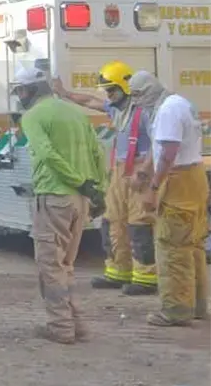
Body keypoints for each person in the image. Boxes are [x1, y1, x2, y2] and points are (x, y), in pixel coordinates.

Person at [12, 67, 107, 344]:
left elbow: (47, 154)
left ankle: (61, 327)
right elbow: (98, 152)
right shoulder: (75, 113)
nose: (19, 96)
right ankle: (76, 324)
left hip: (54, 197)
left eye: (20, 91)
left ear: (31, 90)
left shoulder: (32, 116)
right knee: (65, 264)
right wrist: (97, 189)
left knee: (51, 266)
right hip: (80, 200)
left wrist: (77, 180)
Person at [52, 61, 156, 295]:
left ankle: (147, 276)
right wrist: (65, 93)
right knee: (113, 221)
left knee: (140, 223)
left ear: (125, 87)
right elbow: (90, 101)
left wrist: (144, 172)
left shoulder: (144, 112)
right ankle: (118, 271)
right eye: (106, 91)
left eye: (111, 90)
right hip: (120, 171)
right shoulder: (117, 110)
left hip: (139, 171)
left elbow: (156, 144)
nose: (108, 95)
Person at [128, 71, 210, 327]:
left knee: (172, 248)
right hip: (194, 178)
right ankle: (197, 306)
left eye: (138, 95)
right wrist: (144, 170)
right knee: (192, 246)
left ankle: (176, 310)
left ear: (148, 91)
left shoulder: (166, 111)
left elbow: (168, 153)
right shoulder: (179, 103)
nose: (136, 102)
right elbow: (162, 147)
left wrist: (153, 188)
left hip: (178, 181)